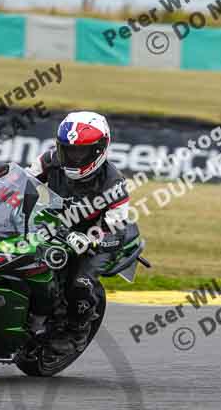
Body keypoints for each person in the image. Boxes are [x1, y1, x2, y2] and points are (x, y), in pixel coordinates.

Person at [28, 111, 140, 351]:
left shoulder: (113, 183)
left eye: (79, 151)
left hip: (99, 236)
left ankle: (76, 330)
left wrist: (91, 240)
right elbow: (25, 181)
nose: (71, 156)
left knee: (80, 283)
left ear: (99, 150)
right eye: (67, 149)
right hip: (60, 225)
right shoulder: (50, 160)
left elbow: (116, 226)